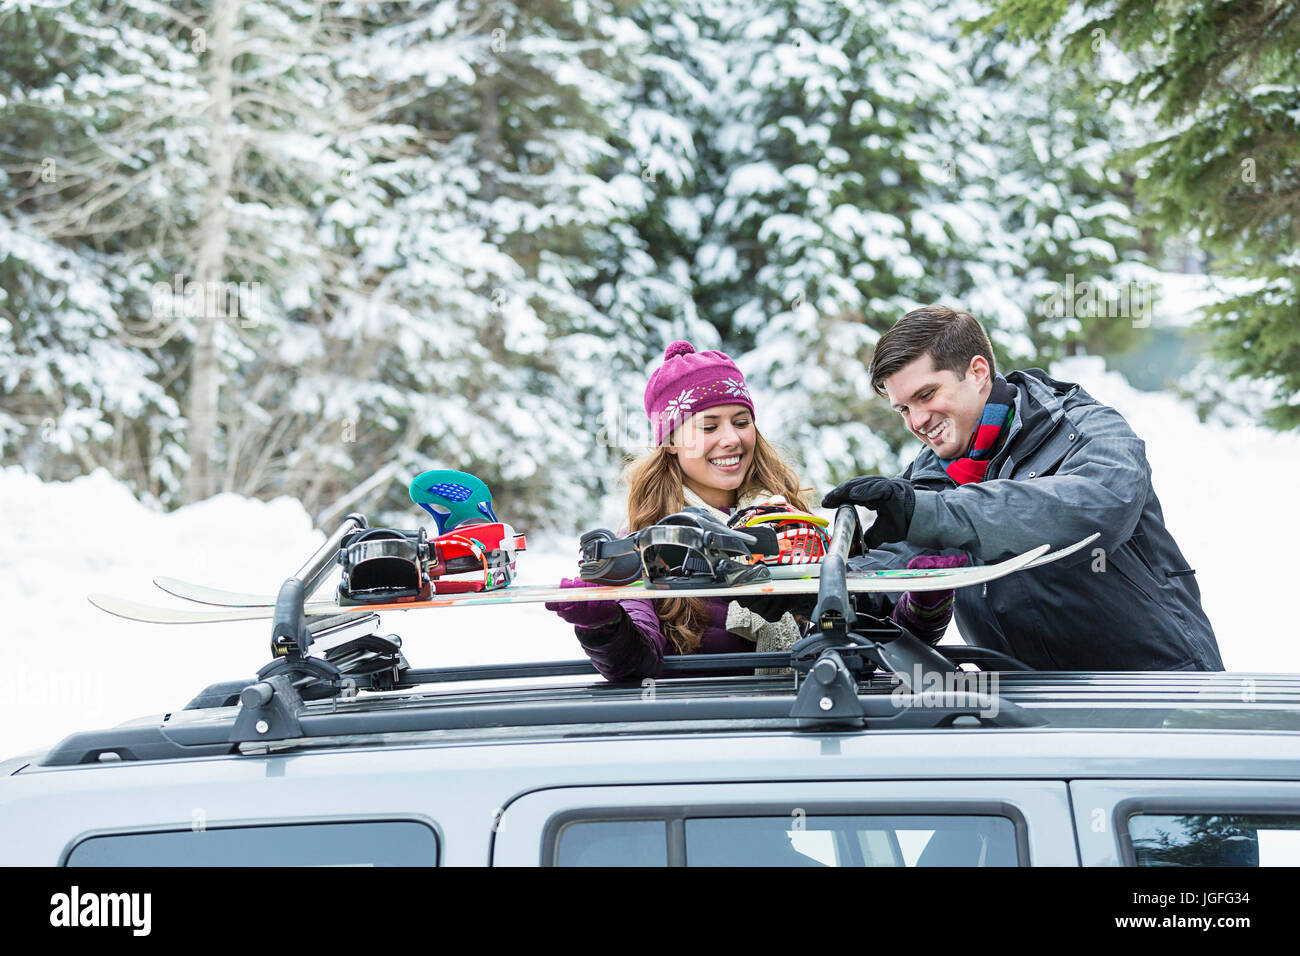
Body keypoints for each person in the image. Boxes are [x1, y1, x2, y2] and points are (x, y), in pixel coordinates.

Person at [822, 305, 1223, 671]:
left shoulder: (1084, 428)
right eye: (904, 408)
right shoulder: (931, 476)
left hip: (1159, 689)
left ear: (978, 373)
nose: (917, 421)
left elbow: (1099, 508)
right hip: (1032, 707)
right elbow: (895, 566)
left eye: (926, 395)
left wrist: (930, 514)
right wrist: (828, 585)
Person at [547, 340, 964, 681]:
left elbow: (871, 644)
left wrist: (923, 604)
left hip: (817, 725)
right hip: (715, 745)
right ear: (671, 442)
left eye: (741, 422)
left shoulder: (797, 526)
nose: (731, 439)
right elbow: (637, 665)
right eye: (708, 427)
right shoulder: (649, 546)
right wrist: (603, 625)